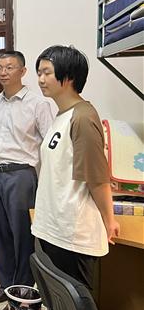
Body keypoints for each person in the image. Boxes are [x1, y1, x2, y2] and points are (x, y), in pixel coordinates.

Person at [32, 45, 119, 291]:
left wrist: (109, 219)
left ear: (68, 76)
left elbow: (96, 178)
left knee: (76, 304)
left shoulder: (82, 117)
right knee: (57, 301)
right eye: (39, 72)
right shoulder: (62, 115)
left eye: (47, 72)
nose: (40, 79)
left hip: (72, 233)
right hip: (53, 226)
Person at [0, 51, 54, 310]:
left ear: (22, 71)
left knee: (22, 235)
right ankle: (5, 285)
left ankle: (21, 292)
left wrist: (47, 182)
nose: (3, 72)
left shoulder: (38, 103)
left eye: (9, 67)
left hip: (21, 175)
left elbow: (49, 144)